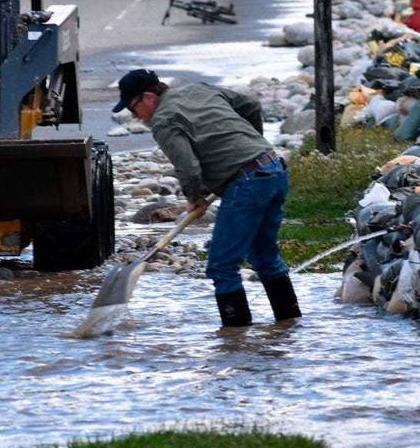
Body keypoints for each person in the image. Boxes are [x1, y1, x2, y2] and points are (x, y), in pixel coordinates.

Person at [113, 69, 301, 328]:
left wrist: (195, 197)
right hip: (273, 170)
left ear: (148, 98)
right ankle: (289, 325)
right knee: (264, 258)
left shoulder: (164, 120)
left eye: (133, 109)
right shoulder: (197, 89)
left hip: (247, 183)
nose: (134, 116)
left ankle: (234, 342)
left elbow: (187, 167)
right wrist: (254, 143)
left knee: (222, 267)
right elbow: (251, 106)